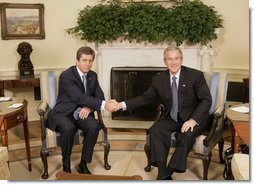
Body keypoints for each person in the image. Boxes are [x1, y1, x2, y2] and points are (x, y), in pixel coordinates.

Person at [115, 46, 212, 180]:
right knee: (155, 130)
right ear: (165, 61)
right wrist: (121, 105)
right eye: (169, 59)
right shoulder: (159, 79)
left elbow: (206, 100)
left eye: (176, 58)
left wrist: (193, 120)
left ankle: (168, 172)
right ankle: (162, 173)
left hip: (193, 118)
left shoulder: (195, 75)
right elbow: (145, 98)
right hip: (172, 118)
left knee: (187, 135)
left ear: (181, 59)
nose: (173, 62)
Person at [48, 46, 117, 174]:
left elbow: (99, 95)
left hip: (82, 112)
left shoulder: (92, 75)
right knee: (68, 128)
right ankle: (66, 165)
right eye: (84, 60)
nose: (88, 64)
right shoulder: (66, 75)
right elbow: (78, 97)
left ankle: (83, 164)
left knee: (94, 127)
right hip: (64, 113)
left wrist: (89, 107)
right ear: (77, 61)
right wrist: (104, 105)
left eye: (90, 61)